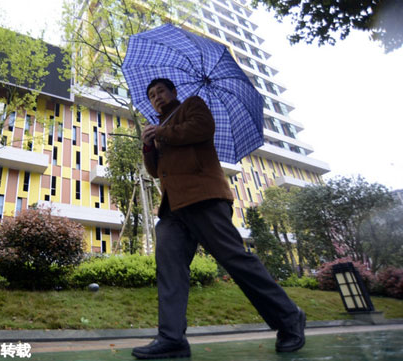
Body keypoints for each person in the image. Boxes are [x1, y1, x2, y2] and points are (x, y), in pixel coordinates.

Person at [131, 78, 306, 360]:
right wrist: (149, 147)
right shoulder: (161, 128)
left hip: (204, 199)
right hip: (172, 209)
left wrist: (162, 132)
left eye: (160, 91)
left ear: (173, 92)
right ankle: (172, 338)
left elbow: (202, 129)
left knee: (235, 260)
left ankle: (289, 318)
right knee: (170, 270)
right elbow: (154, 171)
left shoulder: (192, 106)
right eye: (151, 95)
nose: (156, 98)